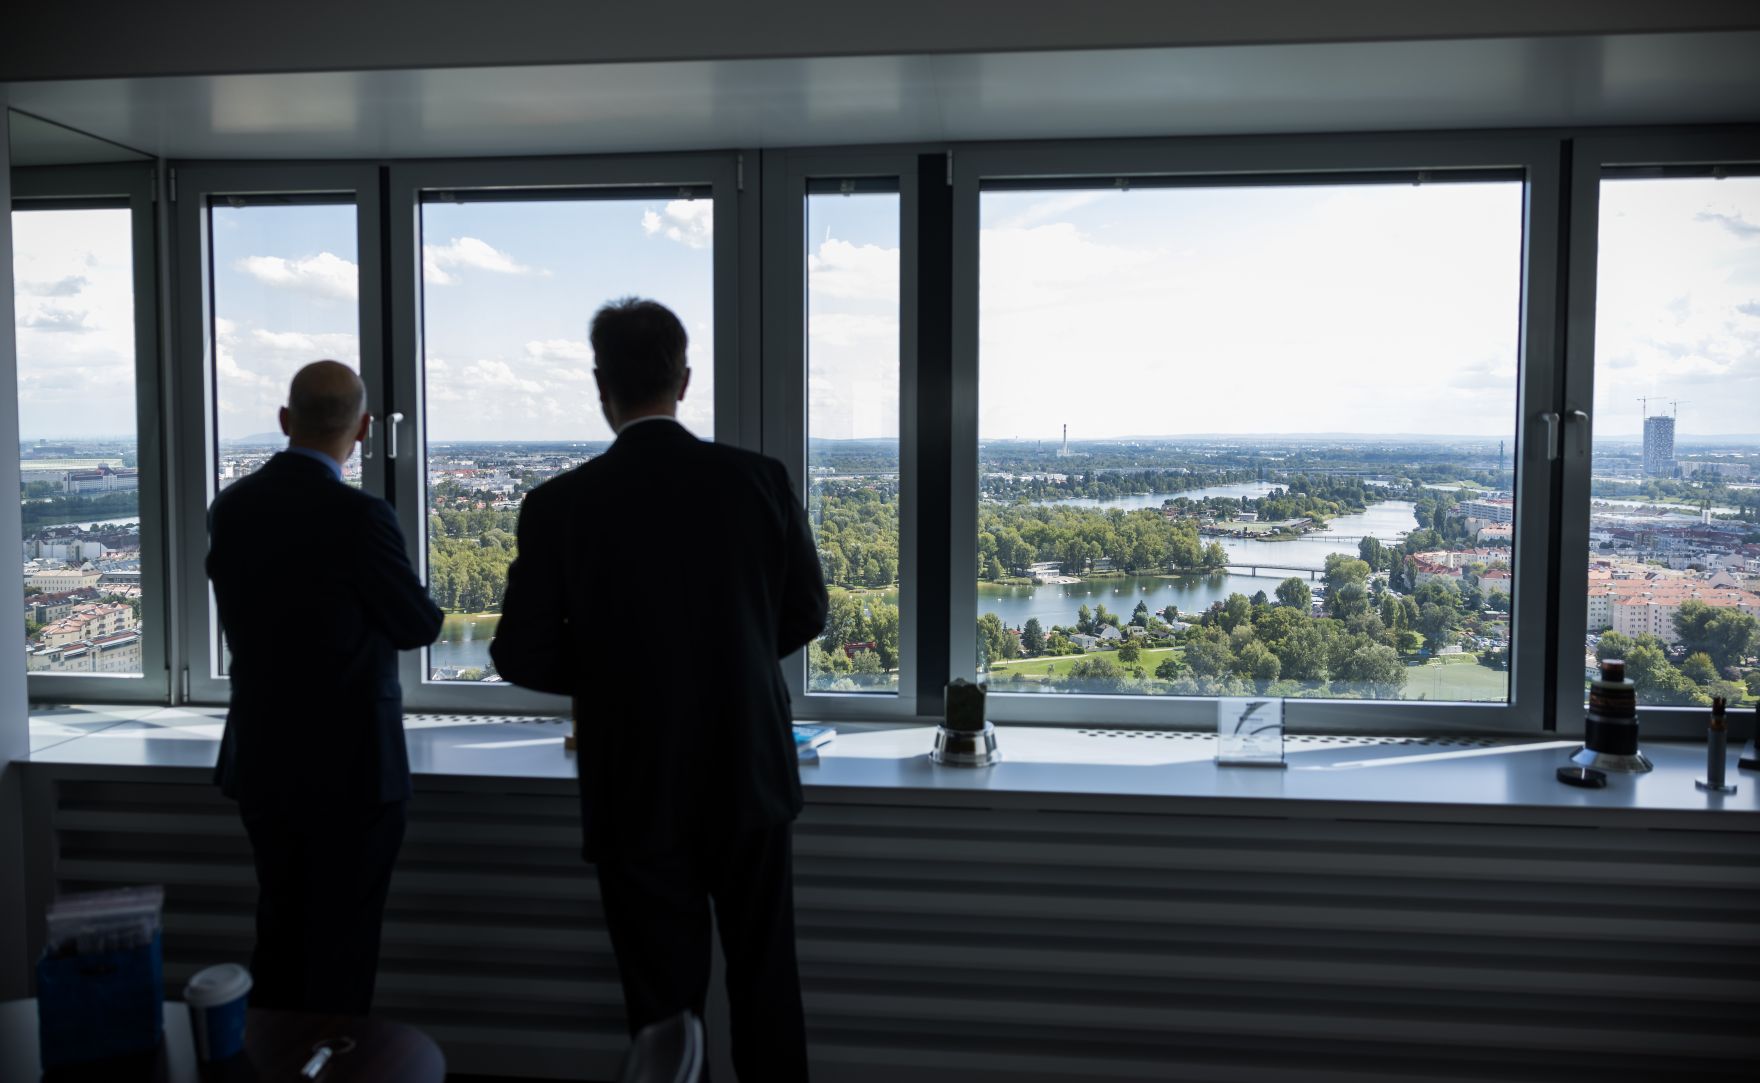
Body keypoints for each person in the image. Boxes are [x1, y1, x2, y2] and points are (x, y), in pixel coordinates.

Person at [492, 298, 827, 1081]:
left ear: (600, 385)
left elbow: (519, 652)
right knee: (766, 983)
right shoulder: (758, 481)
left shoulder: (559, 505)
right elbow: (807, 611)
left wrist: (624, 675)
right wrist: (729, 657)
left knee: (664, 1012)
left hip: (634, 783)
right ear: (684, 379)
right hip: (748, 769)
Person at [207, 360, 443, 1015]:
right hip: (352, 768)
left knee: (280, 932)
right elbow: (417, 624)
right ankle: (332, 1058)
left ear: (286, 420)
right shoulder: (359, 517)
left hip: (263, 759)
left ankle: (273, 1056)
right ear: (363, 429)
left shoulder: (232, 507)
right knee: (343, 948)